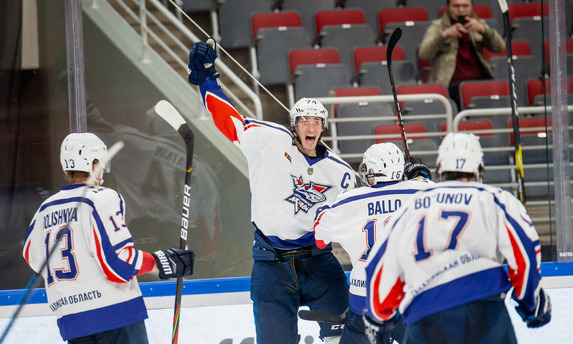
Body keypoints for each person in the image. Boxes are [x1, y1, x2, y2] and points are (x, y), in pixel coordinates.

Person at [187, 39, 357, 343]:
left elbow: (359, 218)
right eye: (304, 120)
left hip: (319, 265)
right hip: (271, 265)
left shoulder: (340, 173)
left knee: (345, 338)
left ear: (324, 127)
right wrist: (207, 80)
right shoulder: (270, 141)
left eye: (316, 121)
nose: (311, 125)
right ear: (294, 124)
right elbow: (231, 123)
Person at [363, 133, 551, 344]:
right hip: (486, 311)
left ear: (440, 167)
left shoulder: (411, 207)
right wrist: (531, 305)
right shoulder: (497, 200)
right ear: (479, 168)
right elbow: (524, 254)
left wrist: (379, 320)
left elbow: (382, 265)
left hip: (425, 315)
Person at [23, 133, 195, 343]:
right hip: (116, 315)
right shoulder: (102, 198)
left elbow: (33, 258)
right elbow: (118, 263)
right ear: (93, 162)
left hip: (72, 321)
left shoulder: (44, 210)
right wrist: (161, 262)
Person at [313, 143, 433, 344]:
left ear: (372, 171)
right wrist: (419, 174)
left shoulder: (350, 201)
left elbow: (320, 233)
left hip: (365, 301)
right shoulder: (423, 191)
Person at [418, 0, 505, 109]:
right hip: (450, 83)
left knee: (501, 89)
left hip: (479, 80)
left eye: (465, 6)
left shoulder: (478, 24)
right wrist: (444, 35)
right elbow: (423, 54)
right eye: (456, 6)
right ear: (448, 7)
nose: (461, 10)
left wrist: (484, 30)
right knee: (462, 89)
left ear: (472, 7)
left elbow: (500, 47)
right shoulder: (437, 26)